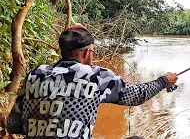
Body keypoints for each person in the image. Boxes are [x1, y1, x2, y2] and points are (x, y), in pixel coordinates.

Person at [7, 24, 178, 139]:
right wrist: (164, 80)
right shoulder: (97, 77)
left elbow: (13, 125)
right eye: (92, 52)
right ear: (86, 53)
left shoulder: (35, 74)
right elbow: (138, 95)